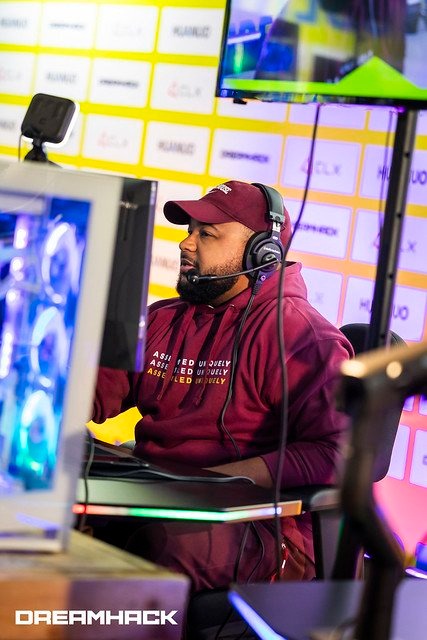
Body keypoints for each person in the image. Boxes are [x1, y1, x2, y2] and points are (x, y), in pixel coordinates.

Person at [91, 180, 353, 592]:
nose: (186, 244)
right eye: (189, 231)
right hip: (162, 499)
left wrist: (213, 481)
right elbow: (90, 392)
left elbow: (340, 453)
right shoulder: (162, 319)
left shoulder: (301, 337)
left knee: (161, 546)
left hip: (260, 526)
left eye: (207, 234)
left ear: (261, 252)